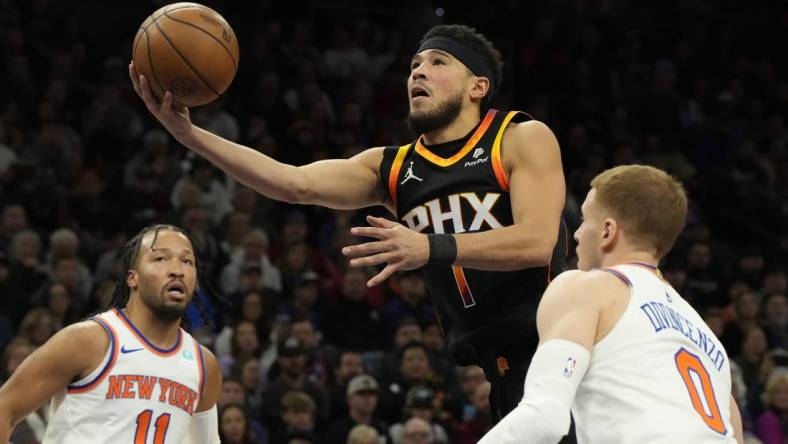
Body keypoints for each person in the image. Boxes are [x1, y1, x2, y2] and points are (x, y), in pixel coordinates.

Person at [130, 23, 566, 422]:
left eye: (438, 62)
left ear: (478, 86)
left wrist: (429, 246)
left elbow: (538, 242)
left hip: (556, 348)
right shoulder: (393, 167)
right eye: (414, 65)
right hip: (501, 367)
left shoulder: (518, 137)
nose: (419, 72)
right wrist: (190, 136)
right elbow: (293, 182)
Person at [479, 165, 744, 443]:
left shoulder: (586, 288)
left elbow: (544, 416)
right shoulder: (710, 344)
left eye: (584, 220)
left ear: (607, 231)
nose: (578, 233)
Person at [0, 224, 223, 443]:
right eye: (160, 259)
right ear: (132, 277)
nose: (177, 270)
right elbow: (5, 407)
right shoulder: (89, 340)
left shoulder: (204, 365)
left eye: (187, 261)